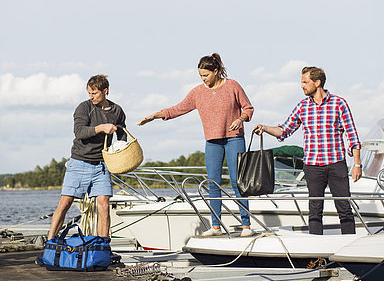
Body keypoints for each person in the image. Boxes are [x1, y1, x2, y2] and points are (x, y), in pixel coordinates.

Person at [138, 53, 254, 237]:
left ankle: (246, 225)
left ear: (216, 71)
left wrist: (241, 118)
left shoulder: (232, 85)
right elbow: (178, 108)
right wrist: (155, 116)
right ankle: (216, 226)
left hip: (234, 139)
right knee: (213, 183)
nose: (203, 79)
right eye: (200, 76)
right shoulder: (198, 92)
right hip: (212, 141)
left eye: (206, 75)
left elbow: (248, 107)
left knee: (237, 182)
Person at [253, 66, 362, 235]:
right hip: (312, 166)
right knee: (315, 210)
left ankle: (348, 246)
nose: (302, 86)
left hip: (336, 164)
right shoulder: (302, 107)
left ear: (317, 82)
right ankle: (316, 253)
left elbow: (352, 136)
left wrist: (357, 164)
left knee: (344, 208)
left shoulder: (339, 104)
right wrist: (264, 127)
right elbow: (284, 130)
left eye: (305, 82)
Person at [48, 74, 126, 240]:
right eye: (89, 93)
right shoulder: (84, 108)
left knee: (104, 205)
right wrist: (101, 128)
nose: (91, 97)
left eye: (94, 93)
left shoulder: (117, 111)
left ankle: (102, 246)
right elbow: (80, 132)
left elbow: (122, 134)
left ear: (105, 91)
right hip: (79, 162)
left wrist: (120, 149)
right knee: (65, 203)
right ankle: (50, 243)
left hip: (102, 166)